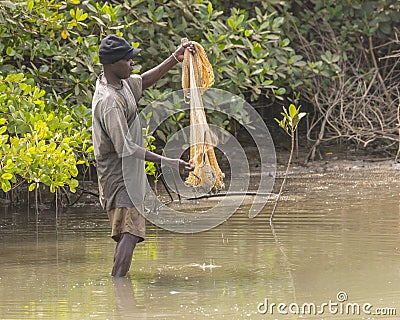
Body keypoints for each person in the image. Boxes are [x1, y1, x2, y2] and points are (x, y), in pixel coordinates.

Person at [92, 34, 194, 277]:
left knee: (129, 231)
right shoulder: (109, 101)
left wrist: (173, 59)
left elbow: (143, 81)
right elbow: (125, 148)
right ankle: (119, 290)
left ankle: (119, 289)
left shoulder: (121, 83)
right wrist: (169, 162)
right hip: (119, 175)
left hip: (129, 173)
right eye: (128, 61)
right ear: (113, 63)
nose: (132, 65)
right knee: (130, 231)